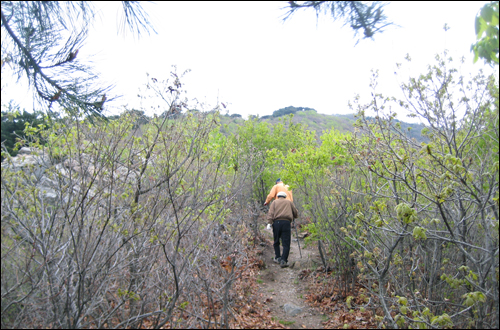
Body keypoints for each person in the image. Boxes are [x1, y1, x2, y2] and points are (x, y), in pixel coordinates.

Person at [266, 191, 298, 268]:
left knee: (276, 240)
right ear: (285, 196)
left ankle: (277, 257)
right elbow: (296, 213)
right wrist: (293, 216)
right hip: (286, 223)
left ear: (277, 196)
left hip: (276, 223)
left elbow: (270, 213)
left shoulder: (274, 202)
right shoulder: (289, 202)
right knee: (286, 242)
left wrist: (269, 223)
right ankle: (284, 260)